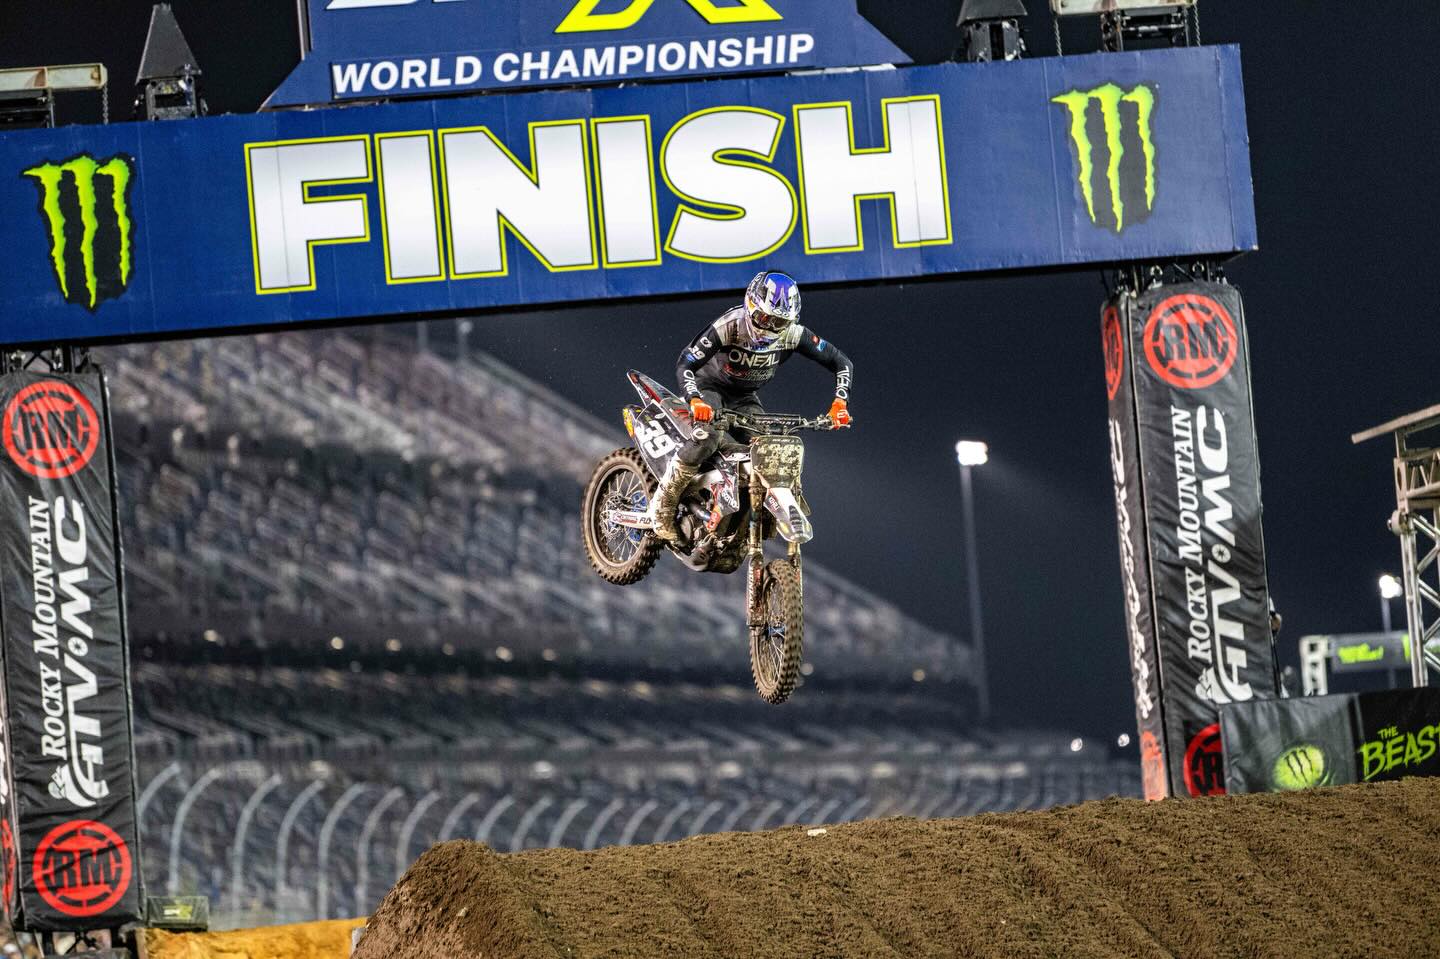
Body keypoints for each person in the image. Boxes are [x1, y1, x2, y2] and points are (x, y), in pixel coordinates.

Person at [649, 271, 853, 543]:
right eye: (764, 318)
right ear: (750, 306)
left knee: (769, 451)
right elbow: (686, 361)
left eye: (779, 322)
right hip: (709, 388)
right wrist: (695, 399)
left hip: (745, 397)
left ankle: (737, 517)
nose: (770, 328)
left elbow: (841, 362)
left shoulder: (794, 334)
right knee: (708, 437)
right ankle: (663, 503)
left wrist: (840, 403)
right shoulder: (730, 325)